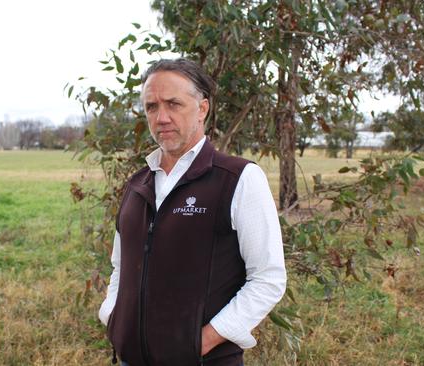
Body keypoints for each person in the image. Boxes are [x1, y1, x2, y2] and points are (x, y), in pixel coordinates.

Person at [98, 58, 286, 366]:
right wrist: (113, 316)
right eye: (152, 107)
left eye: (174, 104)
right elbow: (121, 265)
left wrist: (201, 342)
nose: (161, 117)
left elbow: (268, 278)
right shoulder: (137, 185)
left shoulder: (238, 179)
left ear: (202, 109)